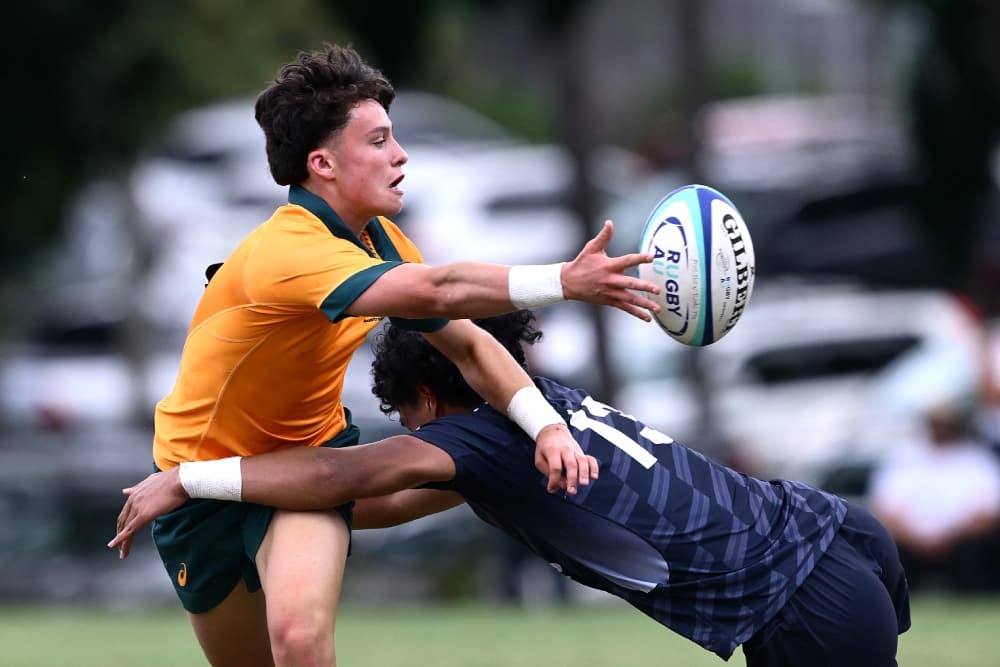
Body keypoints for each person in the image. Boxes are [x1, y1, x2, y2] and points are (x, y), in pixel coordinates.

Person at [140, 43, 661, 667]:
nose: (400, 155)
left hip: (305, 470)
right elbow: (435, 288)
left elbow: (468, 342)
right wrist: (565, 281)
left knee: (302, 643)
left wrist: (547, 427)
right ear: (323, 164)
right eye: (379, 141)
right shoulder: (289, 250)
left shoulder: (378, 239)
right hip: (196, 484)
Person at [112, 311, 911, 667]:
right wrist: (255, 500)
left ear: (427, 399)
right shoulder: (537, 409)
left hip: (810, 606)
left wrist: (189, 478)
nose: (409, 432)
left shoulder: (481, 437)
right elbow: (372, 503)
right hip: (837, 544)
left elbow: (338, 475)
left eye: (403, 415)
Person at [869, 402, 1000, 592]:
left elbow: (989, 512)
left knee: (976, 553)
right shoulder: (904, 457)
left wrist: (951, 537)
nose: (941, 430)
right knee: (889, 549)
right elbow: (887, 509)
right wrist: (917, 540)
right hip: (911, 543)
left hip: (962, 543)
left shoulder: (976, 458)